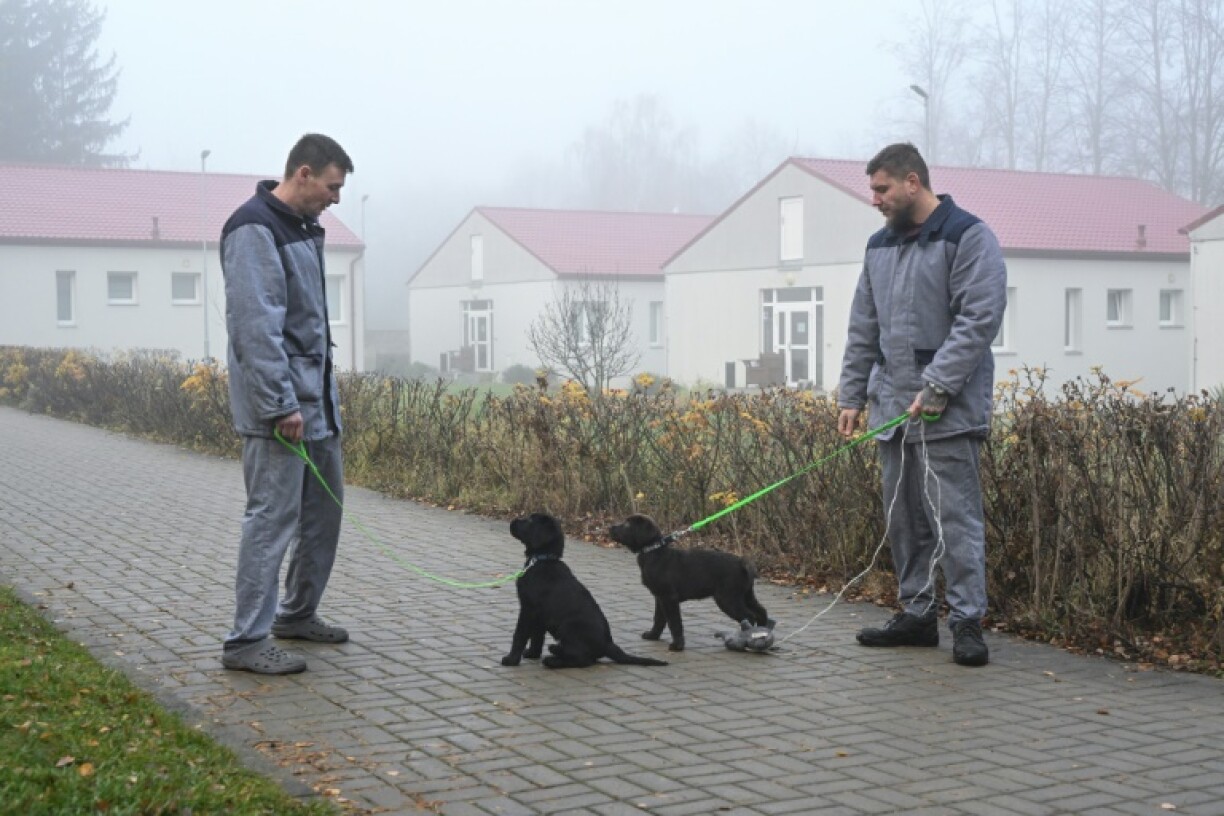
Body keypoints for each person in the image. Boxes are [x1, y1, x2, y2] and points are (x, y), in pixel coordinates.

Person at [836, 142, 1006, 667]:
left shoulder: (968, 237)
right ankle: (916, 615)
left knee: (956, 523)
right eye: (872, 190)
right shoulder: (878, 247)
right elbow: (864, 324)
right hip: (891, 413)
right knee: (904, 521)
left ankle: (966, 622)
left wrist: (937, 387)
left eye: (882, 188)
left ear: (913, 183)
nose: (875, 199)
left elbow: (979, 319)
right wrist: (851, 393)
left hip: (947, 416)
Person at [219, 133, 355, 674]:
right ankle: (245, 641)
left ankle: (297, 614)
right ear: (303, 173)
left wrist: (316, 402)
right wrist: (280, 405)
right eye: (331, 186)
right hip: (281, 413)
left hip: (316, 408)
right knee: (271, 520)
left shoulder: (301, 228)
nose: (336, 198)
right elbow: (257, 326)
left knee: (325, 513)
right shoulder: (255, 228)